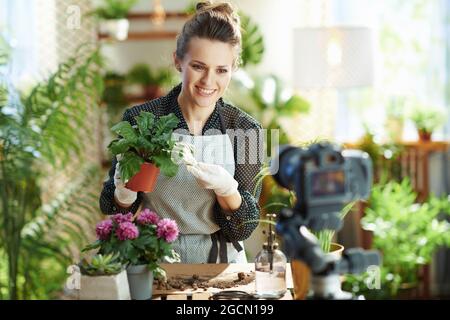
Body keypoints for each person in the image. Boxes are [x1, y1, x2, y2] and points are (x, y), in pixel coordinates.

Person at [99, 1, 264, 264]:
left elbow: (242, 229)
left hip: (222, 268)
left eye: (221, 70)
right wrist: (124, 193)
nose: (209, 82)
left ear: (233, 69)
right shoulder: (143, 120)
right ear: (178, 61)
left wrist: (227, 190)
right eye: (198, 66)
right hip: (154, 261)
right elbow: (111, 206)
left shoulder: (246, 130)